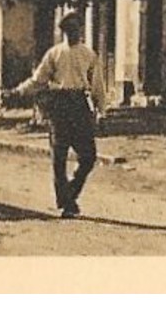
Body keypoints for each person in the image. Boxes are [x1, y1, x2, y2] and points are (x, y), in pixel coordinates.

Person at [9, 13, 106, 218]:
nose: (73, 33)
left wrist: (102, 110)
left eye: (76, 29)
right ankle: (67, 202)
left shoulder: (89, 54)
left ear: (80, 29)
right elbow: (38, 80)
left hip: (80, 105)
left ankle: (70, 192)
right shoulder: (54, 54)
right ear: (64, 32)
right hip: (59, 106)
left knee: (89, 156)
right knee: (59, 157)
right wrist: (18, 91)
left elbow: (97, 85)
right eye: (69, 30)